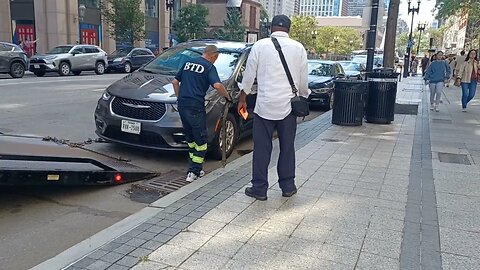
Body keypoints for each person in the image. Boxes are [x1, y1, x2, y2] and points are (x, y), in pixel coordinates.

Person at [237, 15, 310, 201]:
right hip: (288, 108)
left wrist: (243, 97)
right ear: (289, 29)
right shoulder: (299, 48)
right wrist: (303, 96)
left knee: (262, 148)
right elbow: (303, 81)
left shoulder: (260, 46)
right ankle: (288, 186)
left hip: (264, 106)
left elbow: (249, 75)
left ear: (270, 28)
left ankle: (259, 188)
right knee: (287, 148)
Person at [172, 45, 232, 182]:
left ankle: (197, 169)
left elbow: (175, 81)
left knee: (191, 138)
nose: (215, 61)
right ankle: (192, 173)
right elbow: (217, 85)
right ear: (213, 55)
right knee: (201, 140)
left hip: (182, 105)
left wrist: (179, 97)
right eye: (216, 58)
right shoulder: (209, 67)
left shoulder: (188, 63)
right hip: (195, 106)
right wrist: (227, 97)